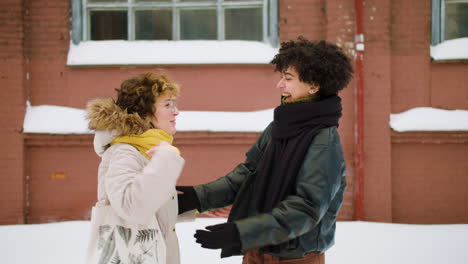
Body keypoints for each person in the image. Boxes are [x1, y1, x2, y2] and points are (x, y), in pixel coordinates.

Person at [177, 37, 354, 264]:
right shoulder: (280, 126)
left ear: (313, 85)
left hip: (295, 260)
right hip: (257, 253)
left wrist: (241, 233)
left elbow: (306, 209)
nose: (279, 85)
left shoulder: (324, 142)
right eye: (281, 77)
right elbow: (247, 174)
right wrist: (199, 198)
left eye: (288, 78)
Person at [86, 72, 185, 264]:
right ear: (145, 113)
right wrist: (166, 159)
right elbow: (131, 207)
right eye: (167, 104)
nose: (176, 111)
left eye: (174, 103)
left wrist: (194, 205)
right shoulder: (126, 151)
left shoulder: (145, 148)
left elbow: (149, 202)